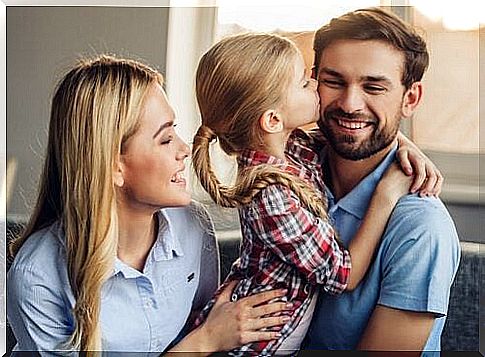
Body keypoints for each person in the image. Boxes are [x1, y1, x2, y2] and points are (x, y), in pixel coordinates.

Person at [7, 55, 294, 355]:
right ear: (114, 166)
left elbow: (202, 320)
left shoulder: (194, 225)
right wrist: (204, 342)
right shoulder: (37, 278)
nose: (185, 149)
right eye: (166, 138)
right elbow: (203, 338)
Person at [190, 33, 442, 355]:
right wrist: (385, 197)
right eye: (305, 83)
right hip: (256, 346)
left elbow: (357, 128)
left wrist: (407, 147)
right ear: (272, 119)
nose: (315, 88)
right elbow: (342, 275)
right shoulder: (270, 195)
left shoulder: (291, 148)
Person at [304, 7, 461, 353]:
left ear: (410, 99)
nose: (349, 103)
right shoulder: (293, 174)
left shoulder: (422, 227)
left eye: (374, 87)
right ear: (311, 82)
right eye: (334, 81)